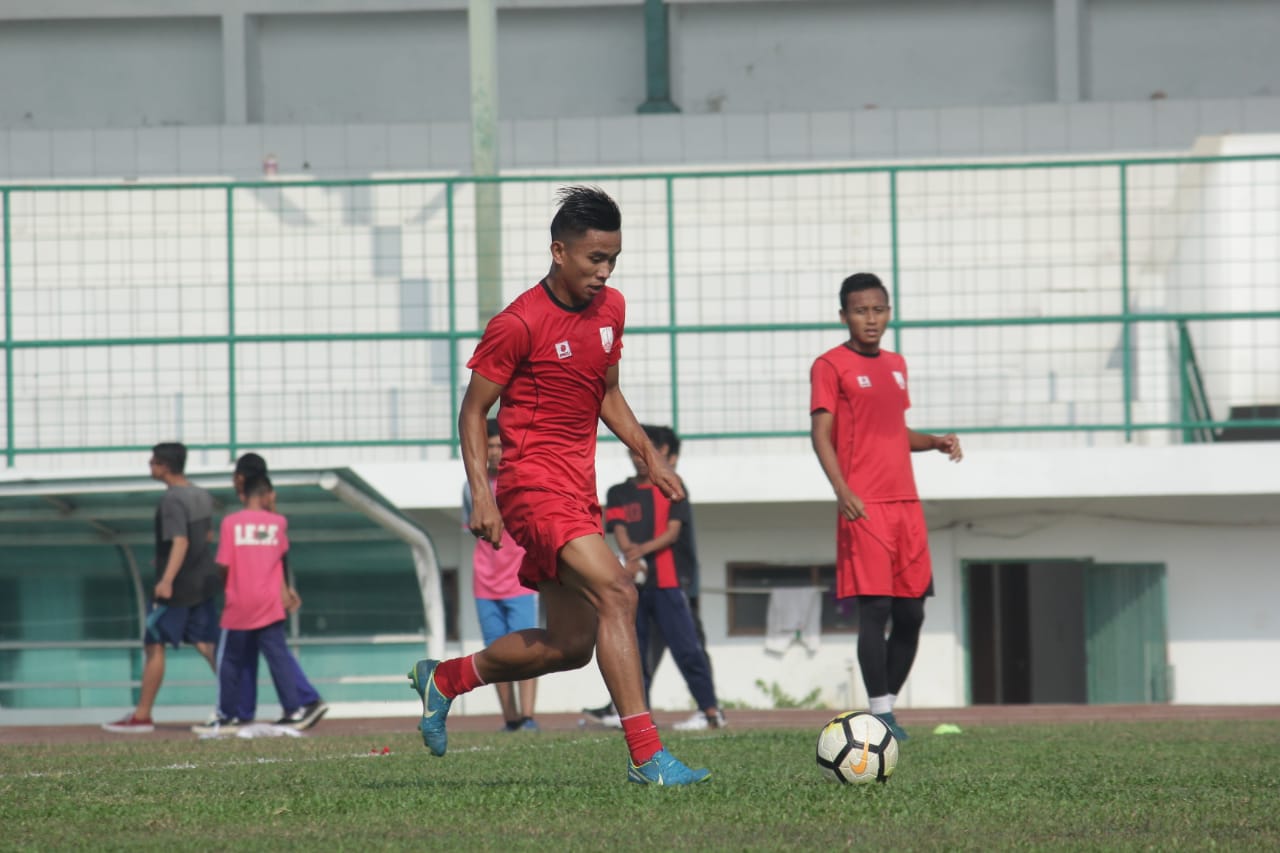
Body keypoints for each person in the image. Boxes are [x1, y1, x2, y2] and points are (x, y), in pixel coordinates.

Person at [408, 185, 709, 786]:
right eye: (594, 259)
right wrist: (485, 494)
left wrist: (647, 456)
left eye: (613, 260)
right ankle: (647, 757)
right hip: (530, 486)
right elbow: (472, 412)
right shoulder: (518, 323)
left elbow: (607, 391)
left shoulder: (612, 309)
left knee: (571, 646)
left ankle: (446, 678)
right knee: (620, 592)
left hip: (579, 491)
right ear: (558, 251)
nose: (604, 272)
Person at [809, 272, 963, 742]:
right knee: (875, 609)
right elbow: (821, 434)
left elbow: (895, 431)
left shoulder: (896, 364)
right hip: (865, 504)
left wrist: (934, 441)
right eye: (860, 310)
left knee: (912, 613)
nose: (870, 319)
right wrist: (842, 489)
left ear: (889, 313)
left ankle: (885, 708)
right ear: (844, 316)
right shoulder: (829, 365)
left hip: (906, 506)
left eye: (878, 310)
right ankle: (881, 713)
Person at [606, 424, 725, 731]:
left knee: (687, 647)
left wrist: (639, 554)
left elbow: (672, 533)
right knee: (635, 651)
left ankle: (710, 711)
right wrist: (632, 557)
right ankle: (640, 716)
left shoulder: (672, 485)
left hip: (668, 582)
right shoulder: (618, 492)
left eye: (646, 450)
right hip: (635, 583)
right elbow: (618, 529)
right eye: (633, 450)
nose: (639, 458)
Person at [201, 453, 326, 730]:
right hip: (269, 602)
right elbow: (278, 557)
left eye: (235, 478)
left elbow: (222, 563)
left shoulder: (231, 523)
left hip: (240, 604)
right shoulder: (278, 523)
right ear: (268, 492)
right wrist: (284, 588)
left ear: (242, 482)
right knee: (276, 655)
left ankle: (228, 713)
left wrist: (225, 583)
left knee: (231, 660)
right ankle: (294, 708)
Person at [103, 442, 220, 733]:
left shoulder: (172, 500)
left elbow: (181, 541)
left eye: (153, 462)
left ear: (165, 466)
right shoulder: (202, 494)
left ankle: (142, 716)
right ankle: (237, 706)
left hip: (176, 588)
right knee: (207, 645)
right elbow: (206, 536)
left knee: (154, 645)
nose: (150, 466)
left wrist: (166, 579)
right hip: (202, 582)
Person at [462, 418, 540, 732]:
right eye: (489, 446)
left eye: (498, 446)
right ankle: (510, 718)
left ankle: (529, 716)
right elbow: (471, 527)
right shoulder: (472, 487)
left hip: (521, 582)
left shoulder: (520, 480)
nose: (494, 452)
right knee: (495, 653)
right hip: (484, 582)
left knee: (528, 651)